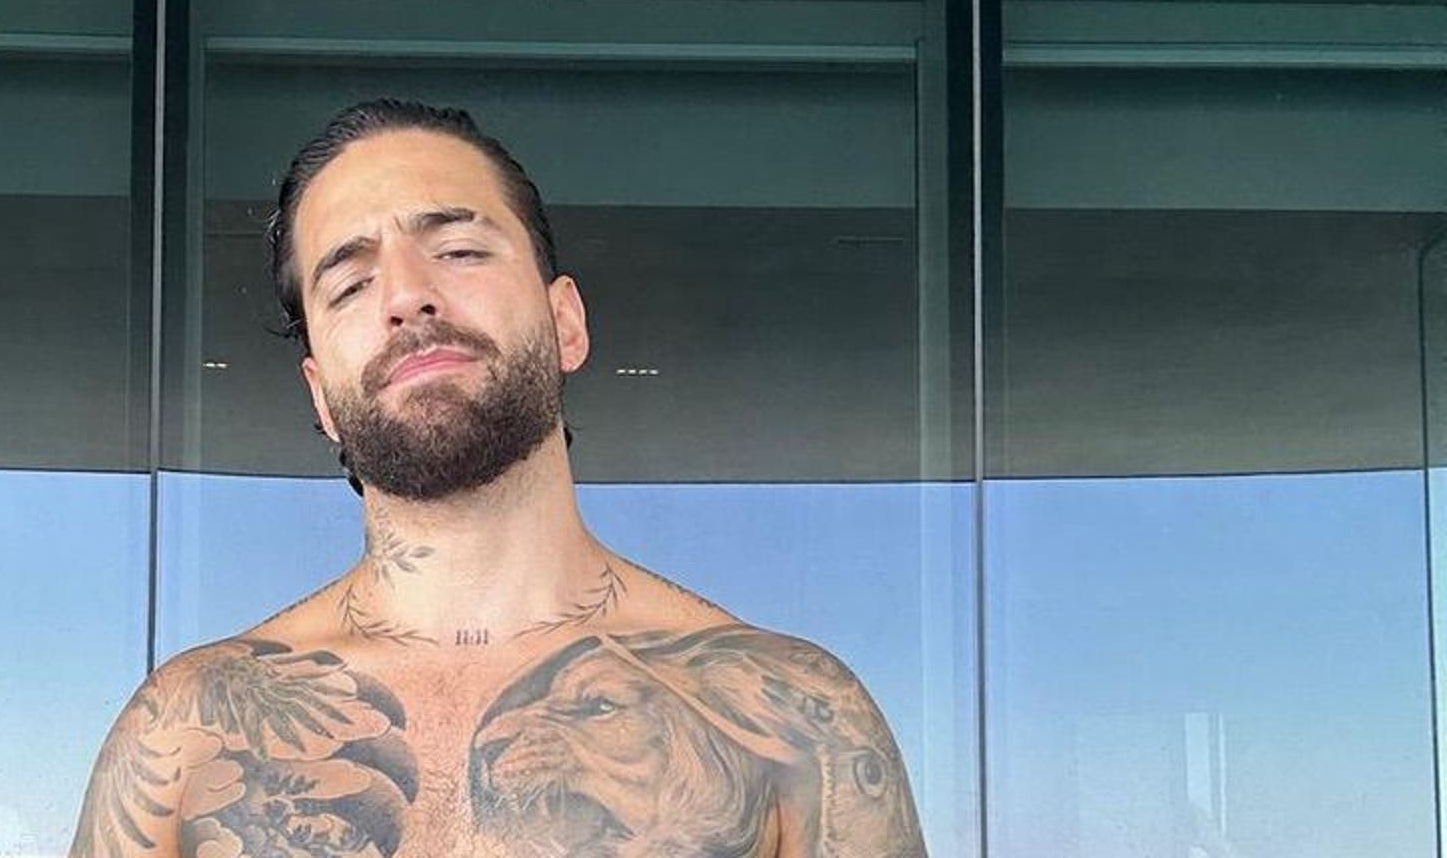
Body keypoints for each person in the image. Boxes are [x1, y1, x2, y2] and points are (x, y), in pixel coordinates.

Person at [71, 100, 927, 858]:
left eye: (458, 249)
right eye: (352, 283)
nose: (407, 296)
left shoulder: (792, 721)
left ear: (565, 323)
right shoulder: (182, 731)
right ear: (321, 398)